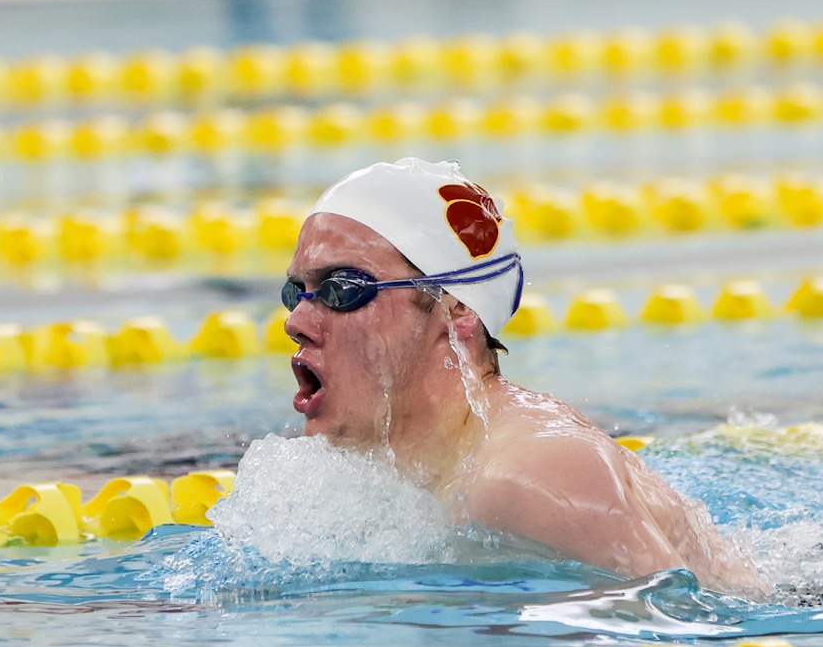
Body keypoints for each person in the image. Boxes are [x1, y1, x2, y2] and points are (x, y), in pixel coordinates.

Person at [281, 157, 766, 596]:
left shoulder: (530, 474)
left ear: (458, 307)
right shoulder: (398, 473)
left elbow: (689, 631)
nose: (296, 322)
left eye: (342, 289)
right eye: (295, 292)